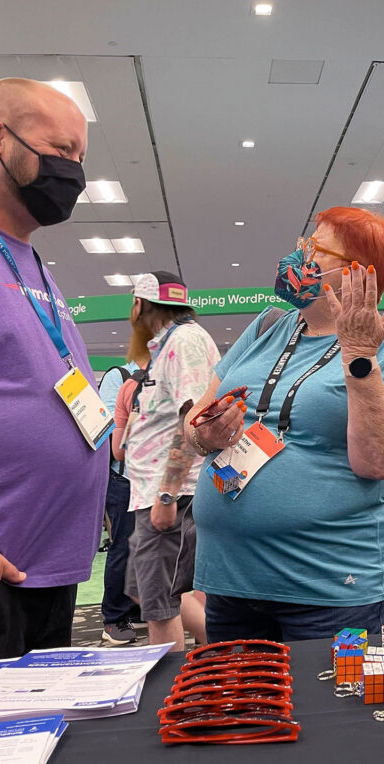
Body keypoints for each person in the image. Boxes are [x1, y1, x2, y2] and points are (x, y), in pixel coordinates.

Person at [188, 207, 384, 642]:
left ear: (356, 274)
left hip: (329, 586)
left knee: (327, 707)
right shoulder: (268, 325)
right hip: (231, 578)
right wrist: (205, 433)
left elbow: (381, 462)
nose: (298, 256)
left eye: (315, 248)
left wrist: (358, 354)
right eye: (303, 243)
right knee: (243, 705)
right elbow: (193, 422)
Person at [0, 78, 107, 668]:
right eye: (62, 151)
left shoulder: (29, 260)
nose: (74, 172)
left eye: (80, 158)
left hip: (42, 574)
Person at [125, 271, 219, 652]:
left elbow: (193, 418)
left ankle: (171, 695)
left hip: (169, 497)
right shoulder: (167, 344)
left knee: (158, 607)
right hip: (154, 492)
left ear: (142, 304)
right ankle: (224, 646)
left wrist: (167, 495)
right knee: (149, 594)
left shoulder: (184, 341)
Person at [98, 357, 143, 645]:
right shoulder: (119, 376)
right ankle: (114, 618)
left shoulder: (169, 374)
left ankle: (138, 607)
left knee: (148, 548)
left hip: (156, 481)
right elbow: (109, 435)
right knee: (123, 548)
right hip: (124, 479)